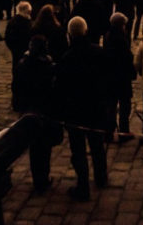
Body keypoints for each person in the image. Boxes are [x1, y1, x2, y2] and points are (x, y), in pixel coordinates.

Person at [54, 16, 109, 201]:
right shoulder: (98, 52)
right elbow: (107, 80)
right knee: (97, 146)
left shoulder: (67, 57)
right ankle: (101, 177)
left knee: (78, 151)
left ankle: (83, 185)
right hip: (96, 108)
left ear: (70, 34)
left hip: (75, 112)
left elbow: (60, 88)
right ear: (85, 31)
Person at [14, 35, 58, 194]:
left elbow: (16, 87)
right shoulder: (48, 66)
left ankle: (37, 177)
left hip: (28, 109)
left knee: (34, 146)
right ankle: (43, 177)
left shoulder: (22, 64)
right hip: (44, 110)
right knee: (44, 147)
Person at [103, 12, 136, 143]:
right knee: (124, 106)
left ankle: (108, 132)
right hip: (122, 77)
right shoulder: (121, 39)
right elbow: (127, 58)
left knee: (111, 106)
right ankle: (123, 131)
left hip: (109, 77)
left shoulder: (108, 36)